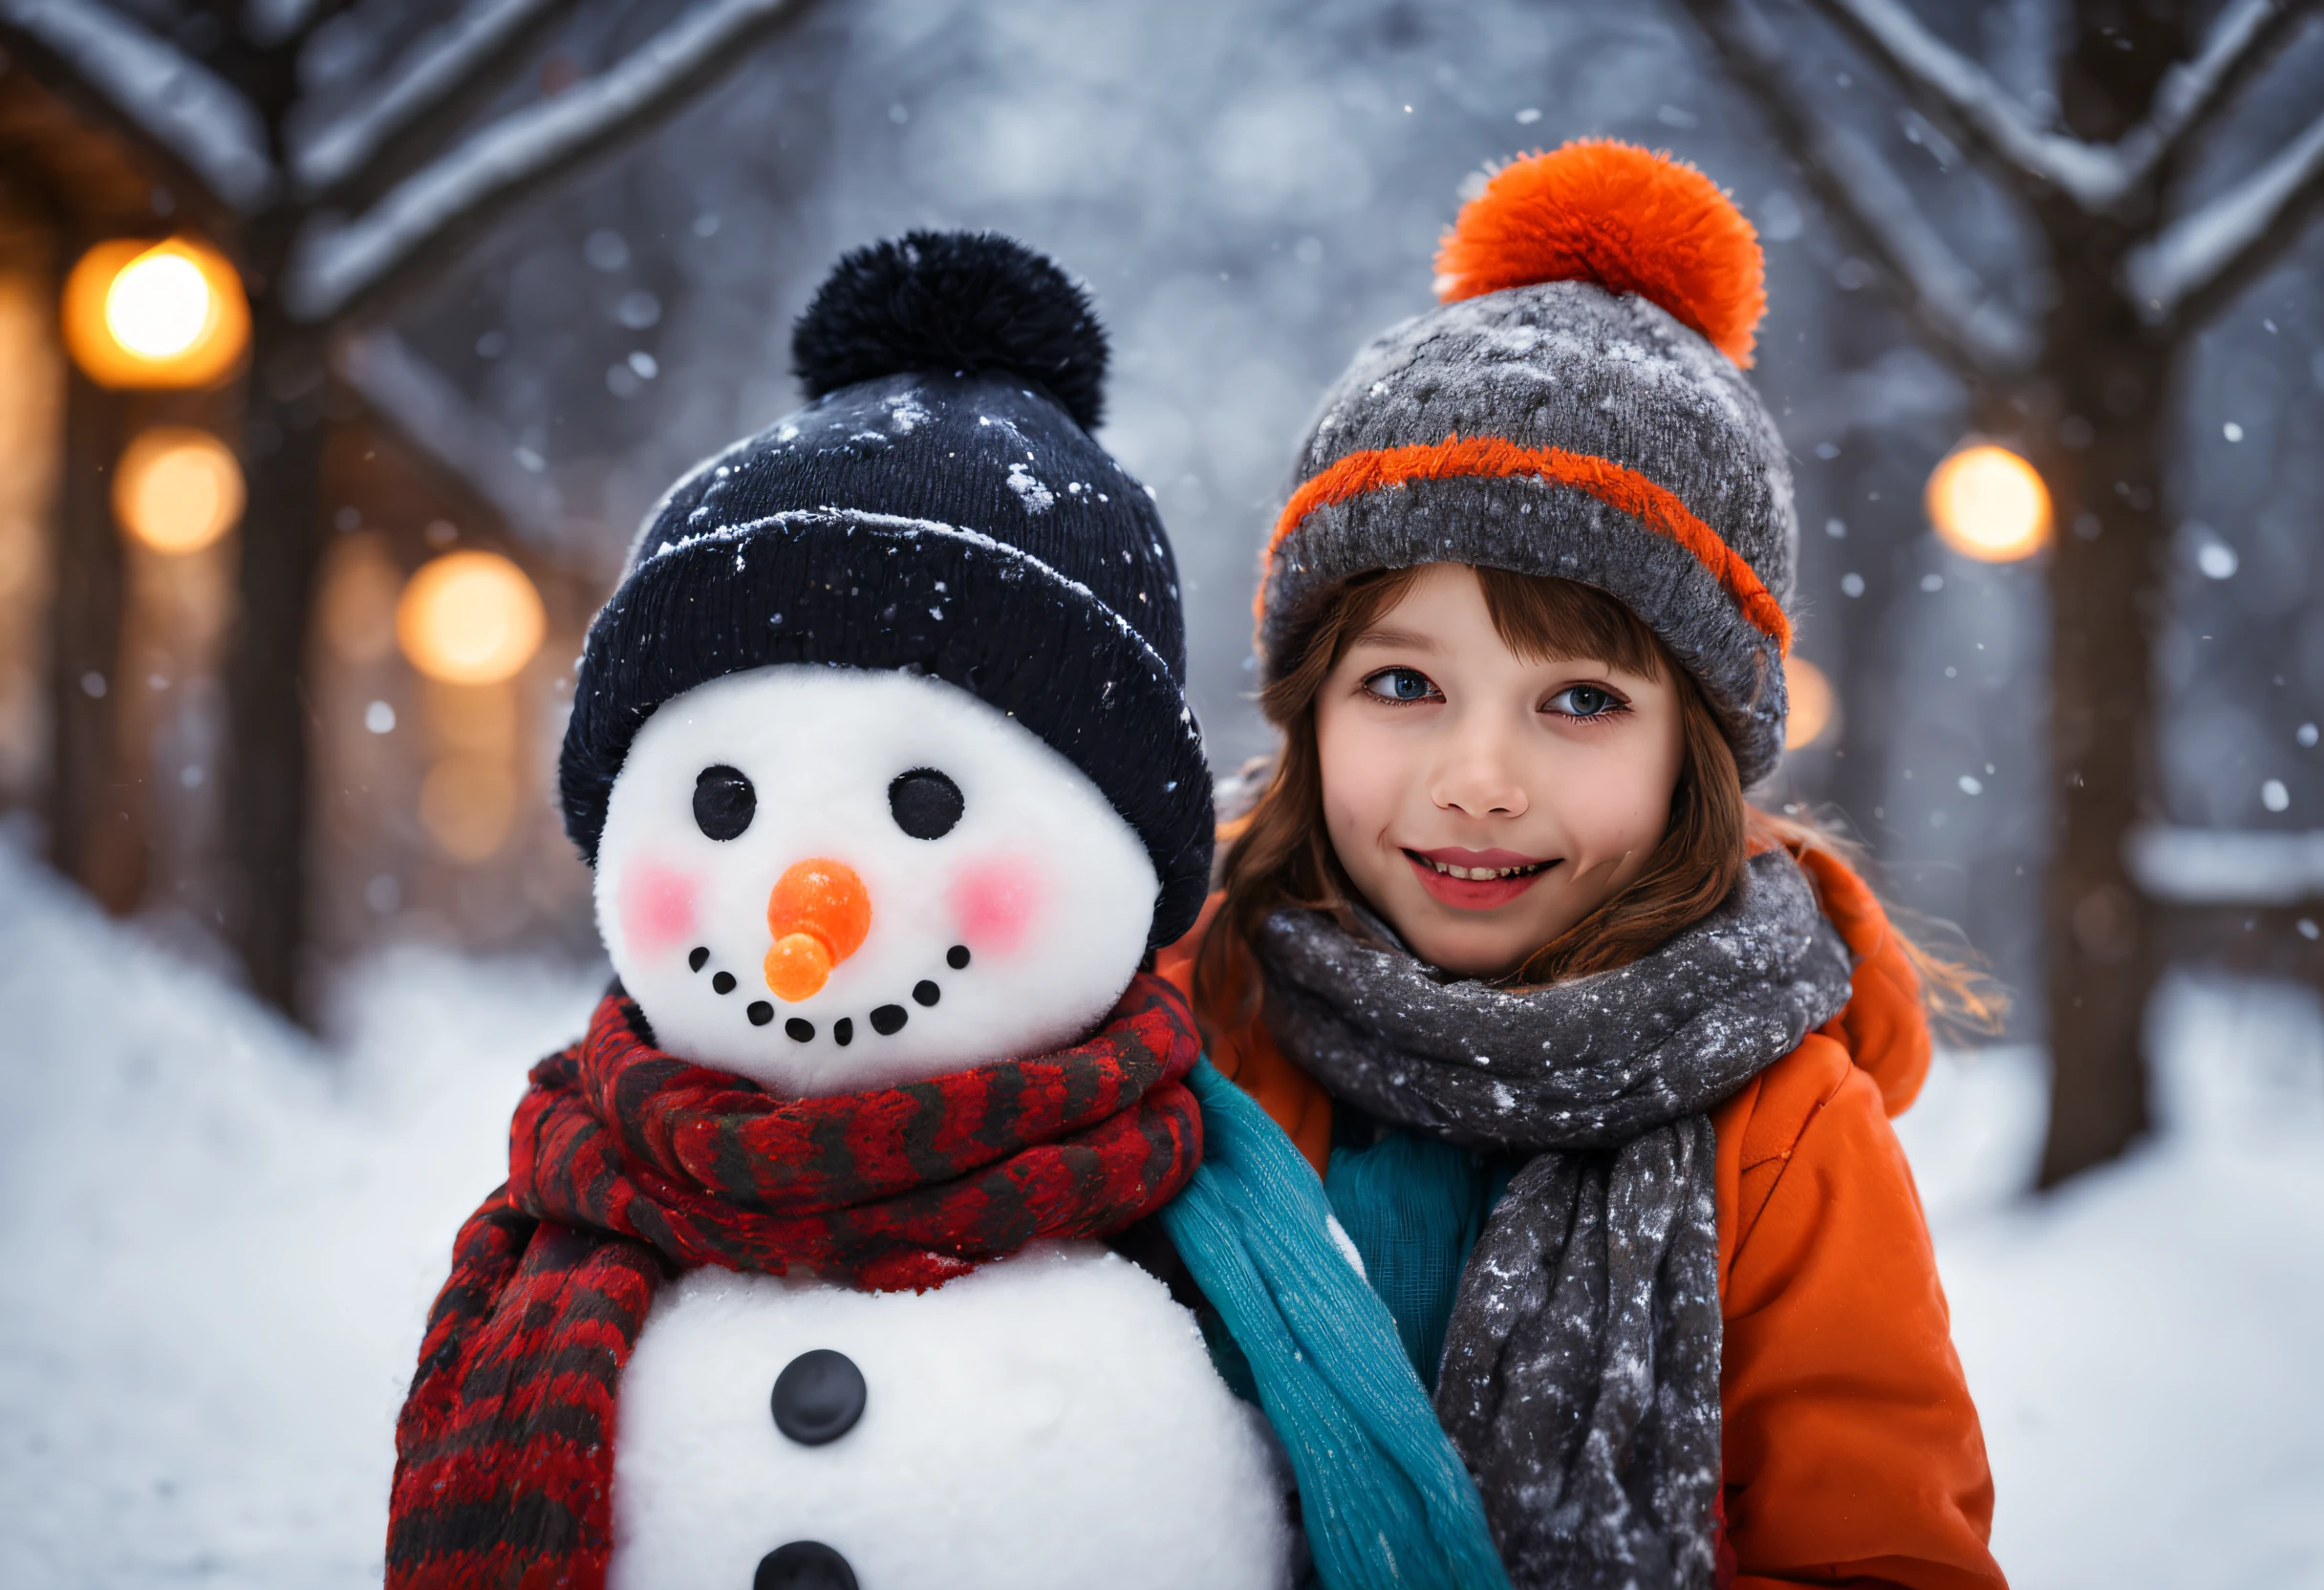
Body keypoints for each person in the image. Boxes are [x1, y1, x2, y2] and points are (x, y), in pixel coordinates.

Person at [1158, 140, 2011, 1590]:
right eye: (1405, 687)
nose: (1479, 779)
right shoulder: (1191, 1010)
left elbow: (1884, 1556)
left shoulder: (1784, 1130)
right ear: (1308, 707)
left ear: (1699, 752)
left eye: (1582, 701)